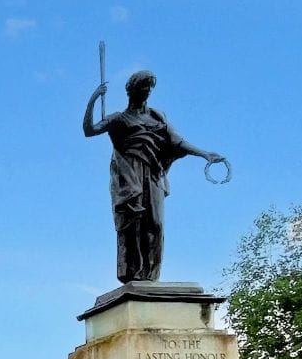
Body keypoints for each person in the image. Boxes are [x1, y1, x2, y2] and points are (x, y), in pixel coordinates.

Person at [82, 70, 225, 283]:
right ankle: (134, 273)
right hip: (131, 175)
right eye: (143, 86)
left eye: (150, 87)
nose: (147, 91)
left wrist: (204, 153)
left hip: (154, 174)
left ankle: (151, 274)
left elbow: (177, 142)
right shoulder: (119, 119)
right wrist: (93, 99)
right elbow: (90, 130)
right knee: (134, 224)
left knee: (155, 224)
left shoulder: (157, 117)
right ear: (132, 90)